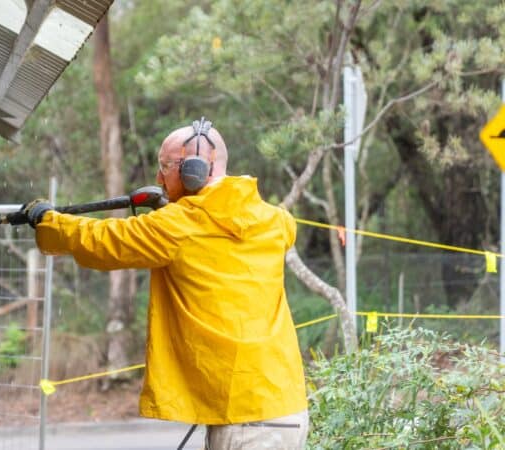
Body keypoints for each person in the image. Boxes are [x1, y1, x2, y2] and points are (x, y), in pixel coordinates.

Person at [21, 118, 308, 449]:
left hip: (245, 418)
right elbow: (232, 227)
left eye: (166, 167)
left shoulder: (177, 225)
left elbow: (104, 240)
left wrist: (47, 220)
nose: (159, 178)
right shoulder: (276, 220)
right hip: (284, 404)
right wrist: (178, 203)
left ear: (195, 172)